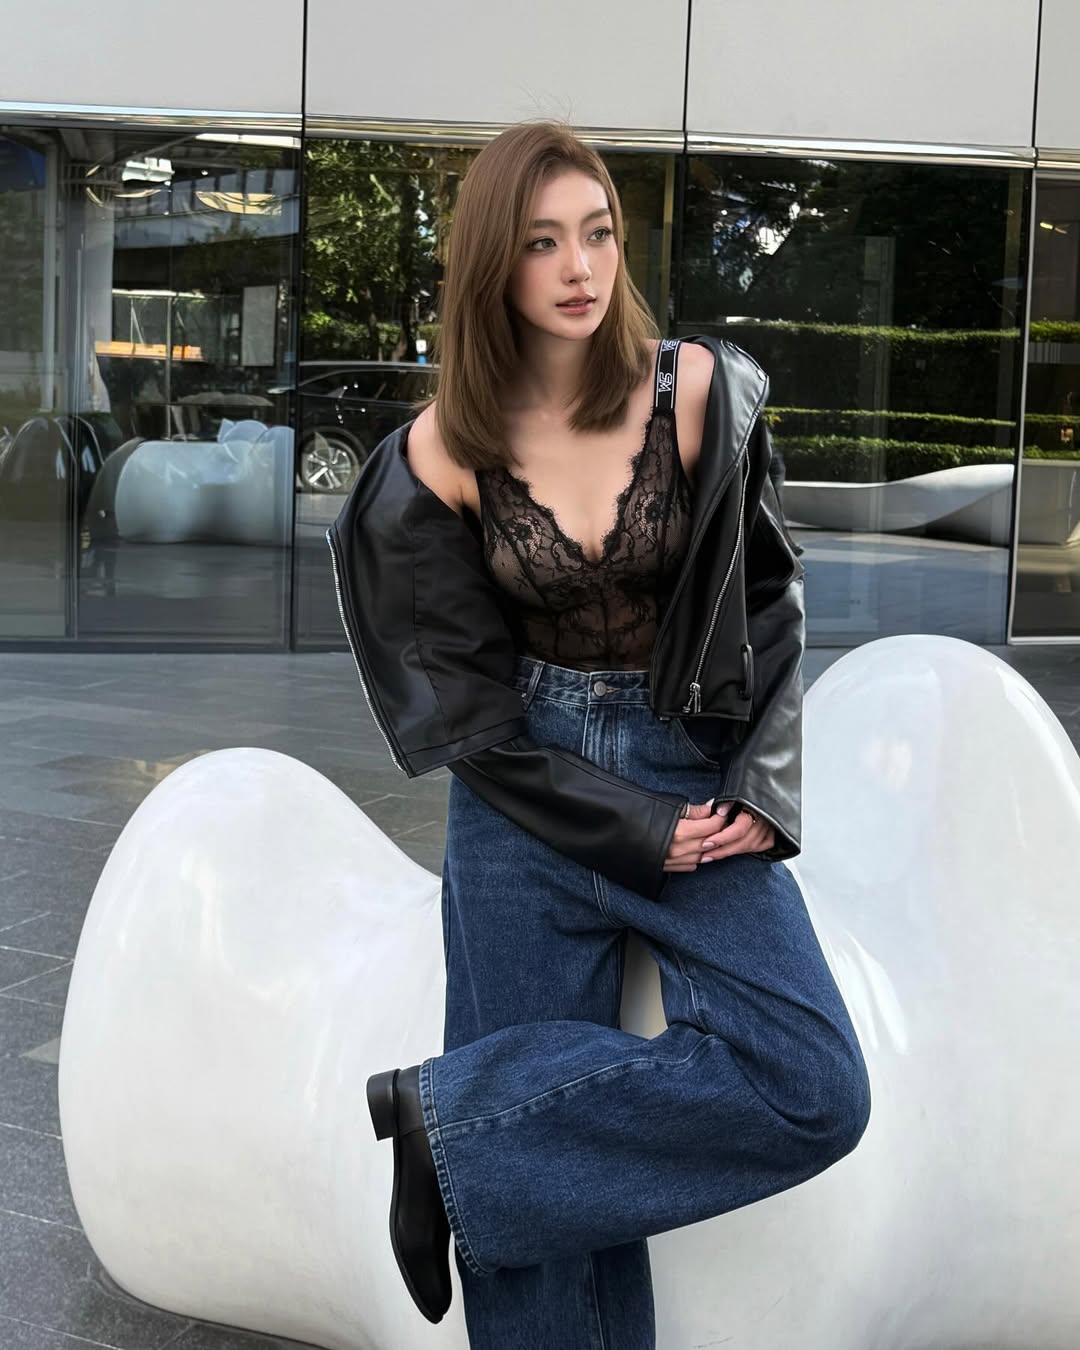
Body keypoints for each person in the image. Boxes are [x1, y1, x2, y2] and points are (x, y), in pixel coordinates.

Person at [328, 120, 870, 1349]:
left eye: (598, 232)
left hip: (691, 760)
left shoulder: (697, 392)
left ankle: (444, 1131)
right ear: (493, 265)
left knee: (814, 1082)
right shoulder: (440, 455)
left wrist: (761, 785)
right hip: (523, 794)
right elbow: (466, 716)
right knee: (544, 1238)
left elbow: (770, 598)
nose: (580, 267)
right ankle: (478, 1152)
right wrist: (631, 831)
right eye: (541, 242)